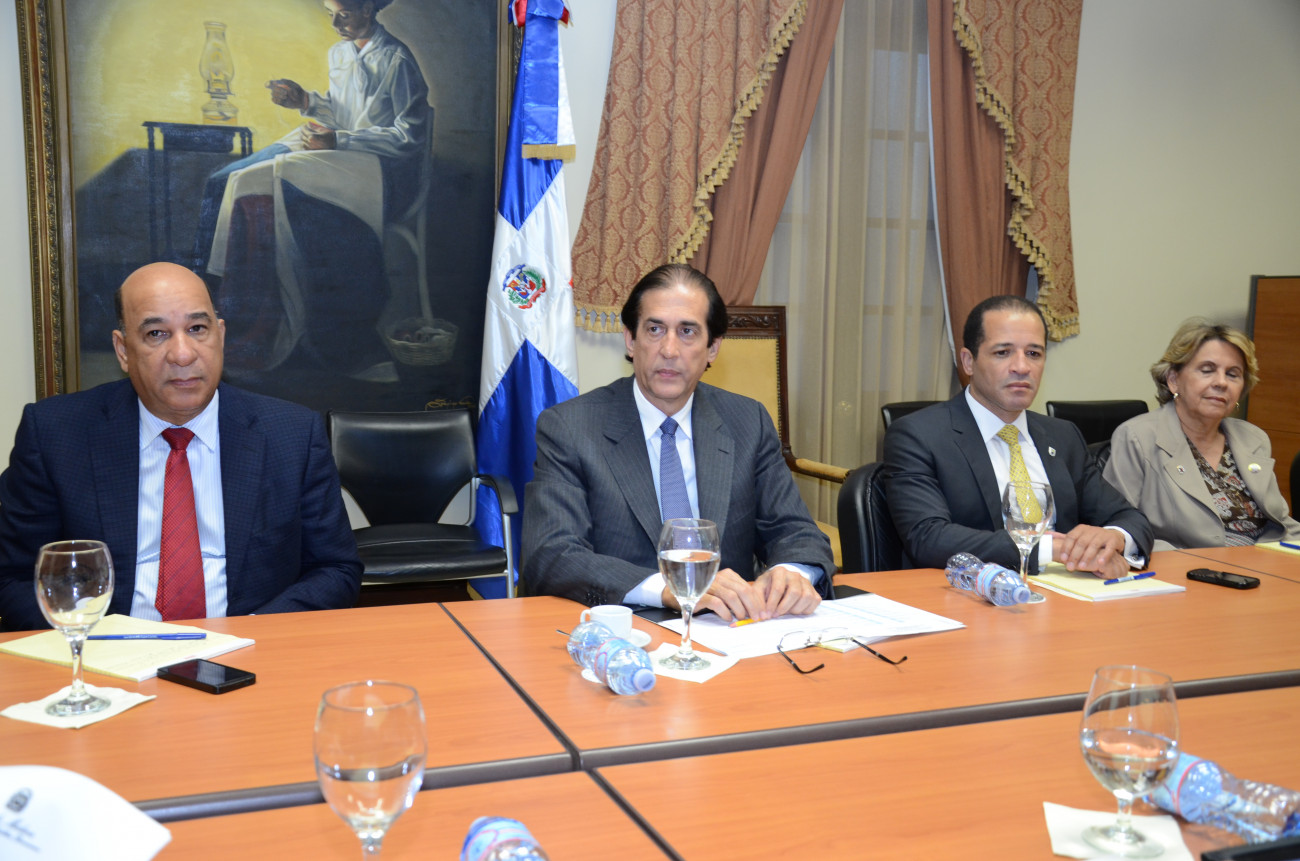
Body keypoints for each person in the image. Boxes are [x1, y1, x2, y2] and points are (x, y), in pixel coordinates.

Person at [0, 262, 362, 632]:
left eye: (197, 329)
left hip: (251, 647)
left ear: (220, 336)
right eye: (156, 333)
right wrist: (98, 645)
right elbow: (13, 579)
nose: (183, 354)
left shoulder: (292, 434)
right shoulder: (55, 435)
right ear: (123, 350)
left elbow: (335, 569)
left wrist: (255, 634)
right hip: (106, 651)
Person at [522, 264, 835, 621]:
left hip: (730, 628)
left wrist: (791, 574)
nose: (669, 349)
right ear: (630, 340)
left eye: (687, 332)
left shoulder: (748, 421)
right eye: (654, 329)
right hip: (624, 628)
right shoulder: (570, 427)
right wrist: (666, 589)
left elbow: (795, 531)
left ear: (713, 347)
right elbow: (553, 553)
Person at [191, 0, 431, 374]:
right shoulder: (339, 53)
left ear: (368, 8)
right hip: (338, 149)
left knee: (268, 178)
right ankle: (211, 293)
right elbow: (341, 112)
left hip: (374, 166)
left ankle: (259, 319)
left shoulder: (396, 59)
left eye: (344, 14)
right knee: (226, 179)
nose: (335, 23)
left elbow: (409, 135)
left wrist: (340, 140)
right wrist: (305, 101)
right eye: (329, 13)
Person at [883, 295, 1152, 579]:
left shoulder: (1063, 436)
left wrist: (1113, 537)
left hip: (1071, 591)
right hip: (972, 595)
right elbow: (928, 537)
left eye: (1034, 353)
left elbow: (1130, 518)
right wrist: (1048, 548)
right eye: (1003, 352)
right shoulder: (919, 435)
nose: (1022, 367)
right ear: (969, 362)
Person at [1103, 319, 1300, 550]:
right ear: (1174, 380)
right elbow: (1118, 530)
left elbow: (1282, 523)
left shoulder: (1253, 439)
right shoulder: (1137, 438)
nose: (1221, 382)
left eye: (1233, 374)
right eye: (1207, 370)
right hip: (1188, 566)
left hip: (1267, 563)